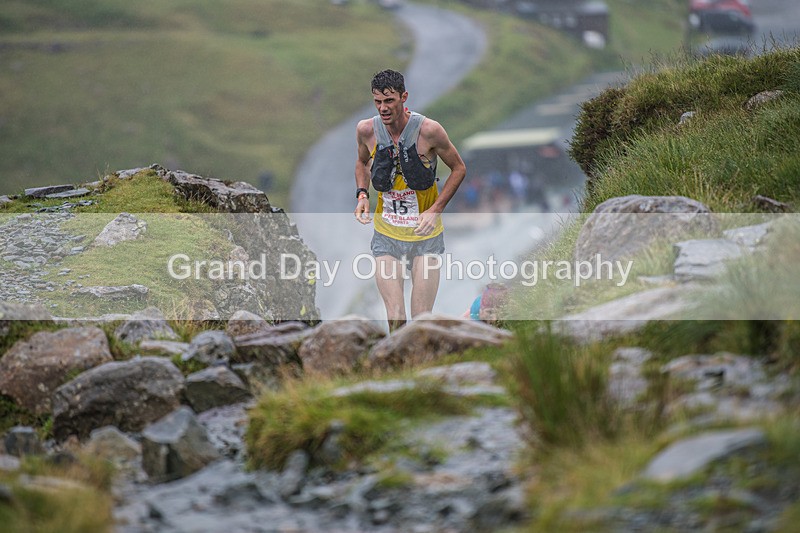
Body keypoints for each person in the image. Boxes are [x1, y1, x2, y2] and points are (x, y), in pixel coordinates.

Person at [354, 69, 466, 331]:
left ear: (404, 97)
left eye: (389, 101)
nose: (383, 108)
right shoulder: (366, 130)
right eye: (378, 102)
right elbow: (361, 162)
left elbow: (459, 168)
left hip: (424, 235)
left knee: (421, 319)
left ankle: (424, 367)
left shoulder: (429, 131)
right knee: (395, 315)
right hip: (386, 234)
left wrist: (436, 210)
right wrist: (362, 194)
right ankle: (399, 367)